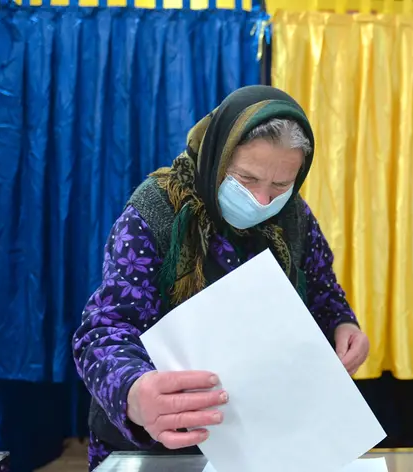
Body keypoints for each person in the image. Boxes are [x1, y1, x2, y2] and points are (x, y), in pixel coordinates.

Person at [71, 86, 370, 470]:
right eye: (246, 178)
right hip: (163, 438)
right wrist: (134, 390)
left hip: (261, 435)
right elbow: (105, 328)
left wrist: (342, 323)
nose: (262, 200)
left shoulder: (293, 216)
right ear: (216, 158)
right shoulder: (156, 211)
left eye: (280, 185)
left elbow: (322, 290)